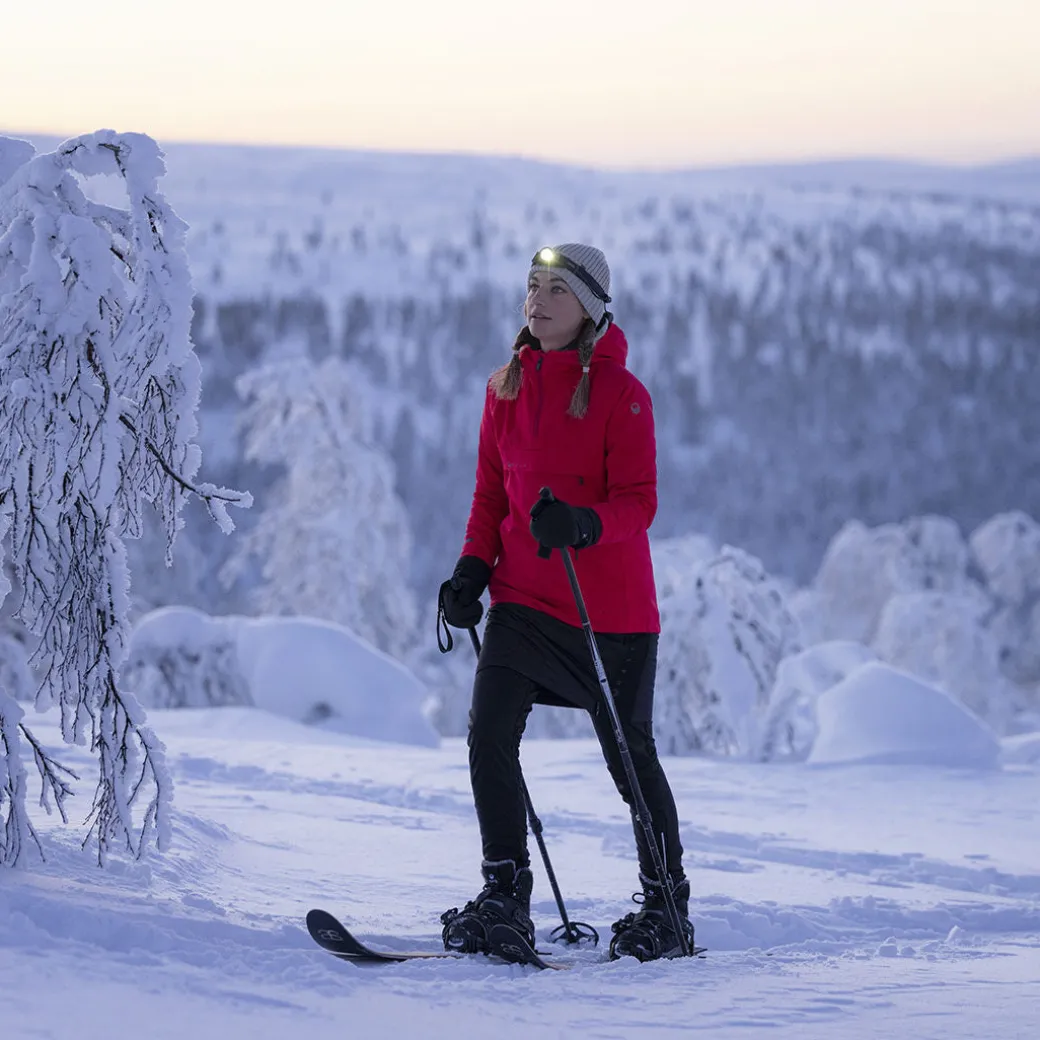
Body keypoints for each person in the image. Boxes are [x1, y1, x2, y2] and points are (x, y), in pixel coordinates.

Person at [436, 243, 694, 962]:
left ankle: (666, 905)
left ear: (590, 307)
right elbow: (491, 494)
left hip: (608, 616)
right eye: (532, 285)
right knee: (488, 734)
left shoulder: (623, 394)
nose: (538, 298)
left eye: (556, 288)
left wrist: (584, 524)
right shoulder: (504, 389)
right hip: (521, 603)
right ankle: (503, 893)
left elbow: (639, 505)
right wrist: (470, 571)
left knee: (629, 760)